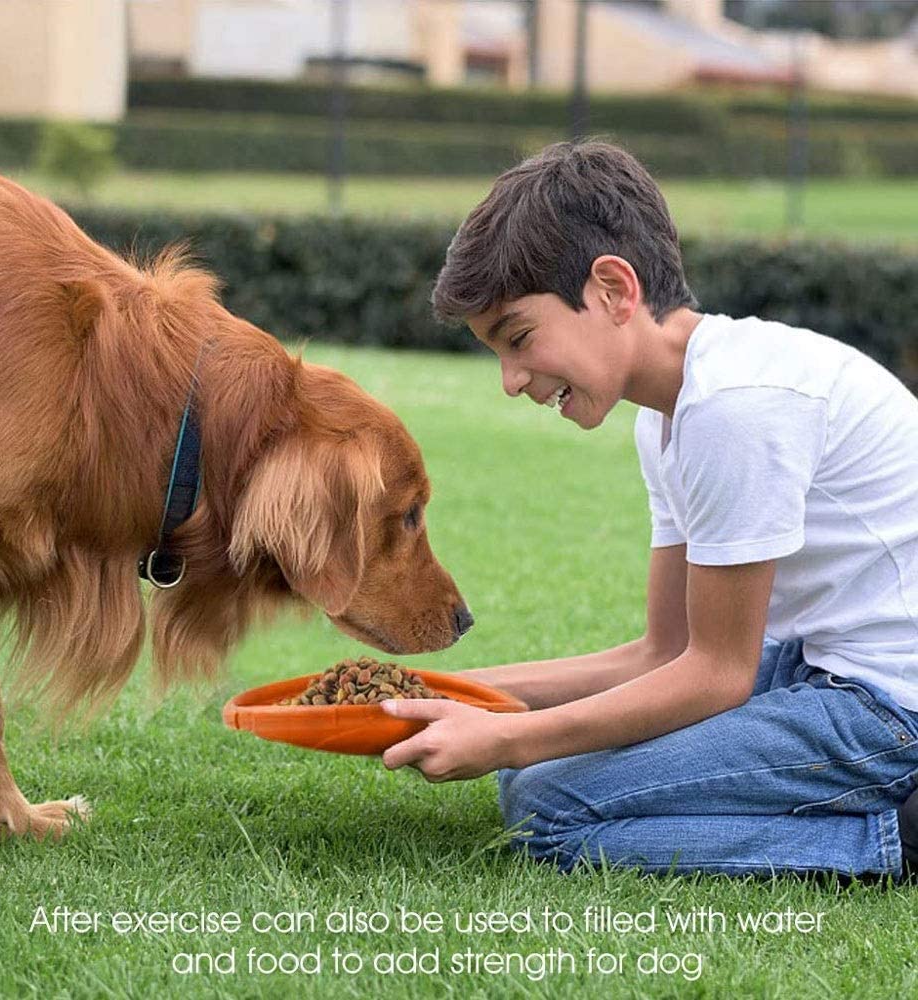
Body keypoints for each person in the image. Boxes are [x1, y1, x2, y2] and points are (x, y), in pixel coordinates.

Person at [378, 140, 918, 883]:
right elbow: (662, 652)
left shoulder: (736, 410)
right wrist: (453, 695)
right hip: (816, 670)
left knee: (545, 809)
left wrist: (509, 739)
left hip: (891, 709)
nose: (510, 381)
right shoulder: (667, 418)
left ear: (613, 290)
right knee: (537, 771)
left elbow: (717, 675)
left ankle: (893, 839)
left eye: (519, 338)